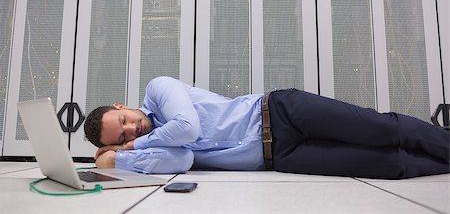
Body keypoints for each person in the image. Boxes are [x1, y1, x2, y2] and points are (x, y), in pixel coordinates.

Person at [84, 76, 450, 179]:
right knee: (389, 166)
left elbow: (187, 129)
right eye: (123, 137)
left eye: (124, 122)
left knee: (384, 130)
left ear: (121, 106)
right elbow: (180, 161)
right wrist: (120, 163)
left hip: (282, 111)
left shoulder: (159, 89)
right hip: (282, 156)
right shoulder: (154, 146)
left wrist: (128, 151)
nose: (132, 130)